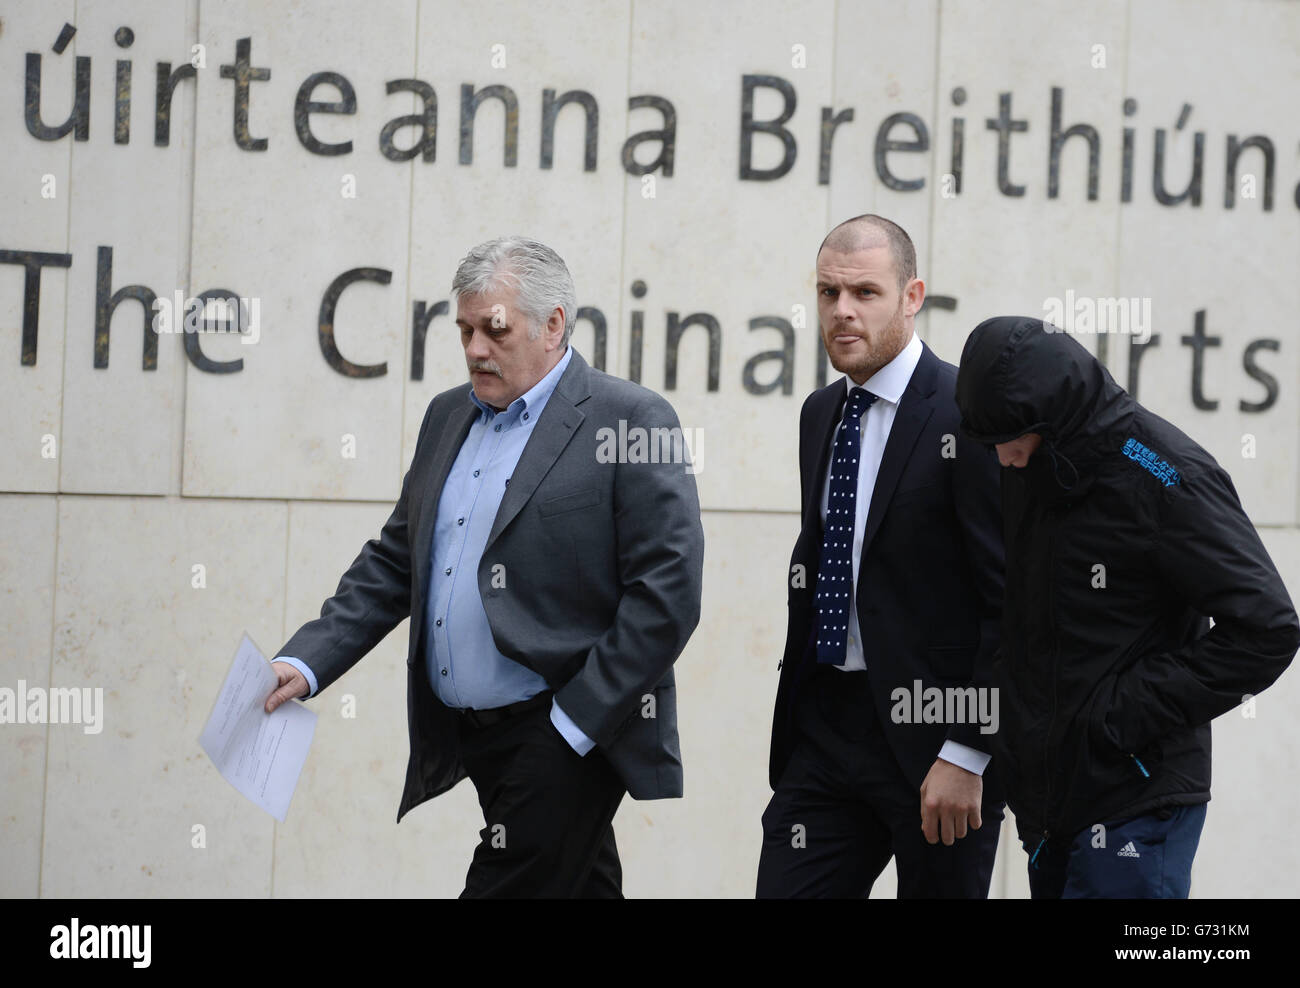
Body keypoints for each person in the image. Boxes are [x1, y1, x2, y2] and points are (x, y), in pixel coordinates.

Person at [264, 236, 705, 897]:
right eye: (465, 330)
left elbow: (667, 592)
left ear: (553, 325)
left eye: (494, 330)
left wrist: (574, 726)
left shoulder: (633, 419)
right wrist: (305, 662)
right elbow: (396, 560)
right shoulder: (448, 415)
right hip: (476, 738)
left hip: (564, 734)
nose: (474, 349)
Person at [955, 314, 1300, 898]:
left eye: (1009, 441)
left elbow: (1267, 628)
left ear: (1052, 419)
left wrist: (1118, 718)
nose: (1001, 459)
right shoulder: (1030, 461)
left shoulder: (1164, 471)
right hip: (1048, 808)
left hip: (1137, 802)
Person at [757, 215, 1006, 898]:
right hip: (826, 731)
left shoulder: (968, 414)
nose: (842, 310)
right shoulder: (820, 413)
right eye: (828, 292)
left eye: (865, 292)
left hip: (936, 742)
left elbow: (1009, 599)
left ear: (912, 296)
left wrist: (970, 748)